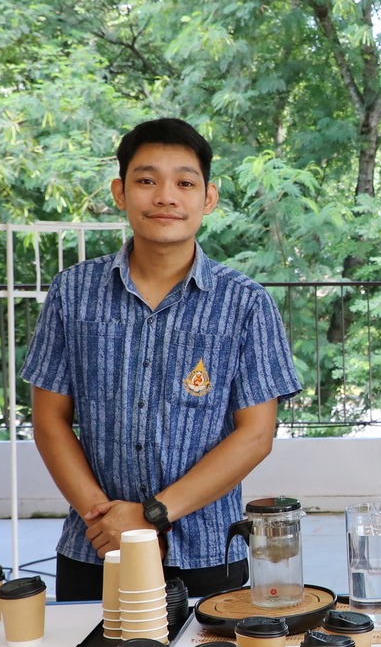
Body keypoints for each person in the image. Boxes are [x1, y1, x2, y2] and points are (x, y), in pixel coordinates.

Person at [22, 117, 302, 601]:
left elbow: (256, 436)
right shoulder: (73, 292)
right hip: (95, 551)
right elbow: (49, 420)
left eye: (185, 183)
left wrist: (150, 516)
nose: (166, 196)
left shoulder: (246, 303)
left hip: (209, 553)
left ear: (208, 198)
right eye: (147, 180)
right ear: (120, 191)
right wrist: (108, 524)